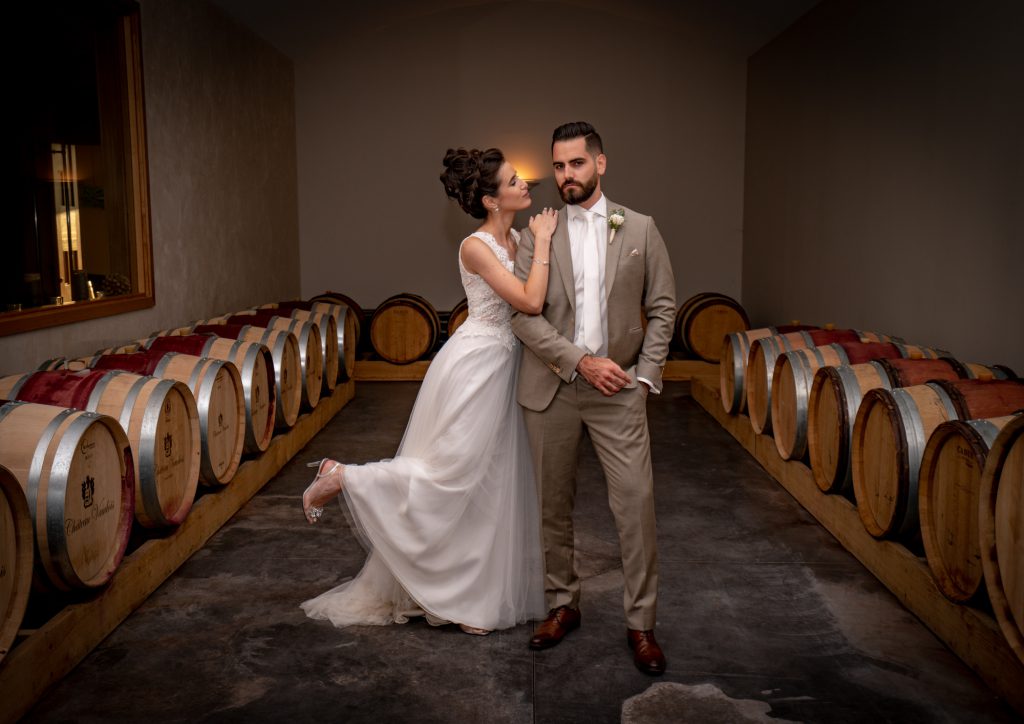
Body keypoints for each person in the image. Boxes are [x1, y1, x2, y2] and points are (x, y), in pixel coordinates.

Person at [299, 147, 555, 635]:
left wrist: (535, 244)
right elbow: (530, 299)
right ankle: (343, 476)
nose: (526, 184)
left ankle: (466, 598)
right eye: (514, 180)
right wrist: (543, 243)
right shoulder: (475, 245)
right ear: (490, 199)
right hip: (476, 365)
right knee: (450, 475)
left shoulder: (517, 237)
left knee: (489, 481)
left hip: (506, 367)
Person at [510, 122, 676, 674]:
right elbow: (522, 317)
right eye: (558, 166)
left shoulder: (641, 228)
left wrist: (645, 376)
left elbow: (664, 305)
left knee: (636, 506)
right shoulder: (537, 234)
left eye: (576, 164)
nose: (566, 176)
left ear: (600, 164)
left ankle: (642, 624)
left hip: (620, 392)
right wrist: (579, 360)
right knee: (552, 507)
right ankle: (562, 606)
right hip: (551, 388)